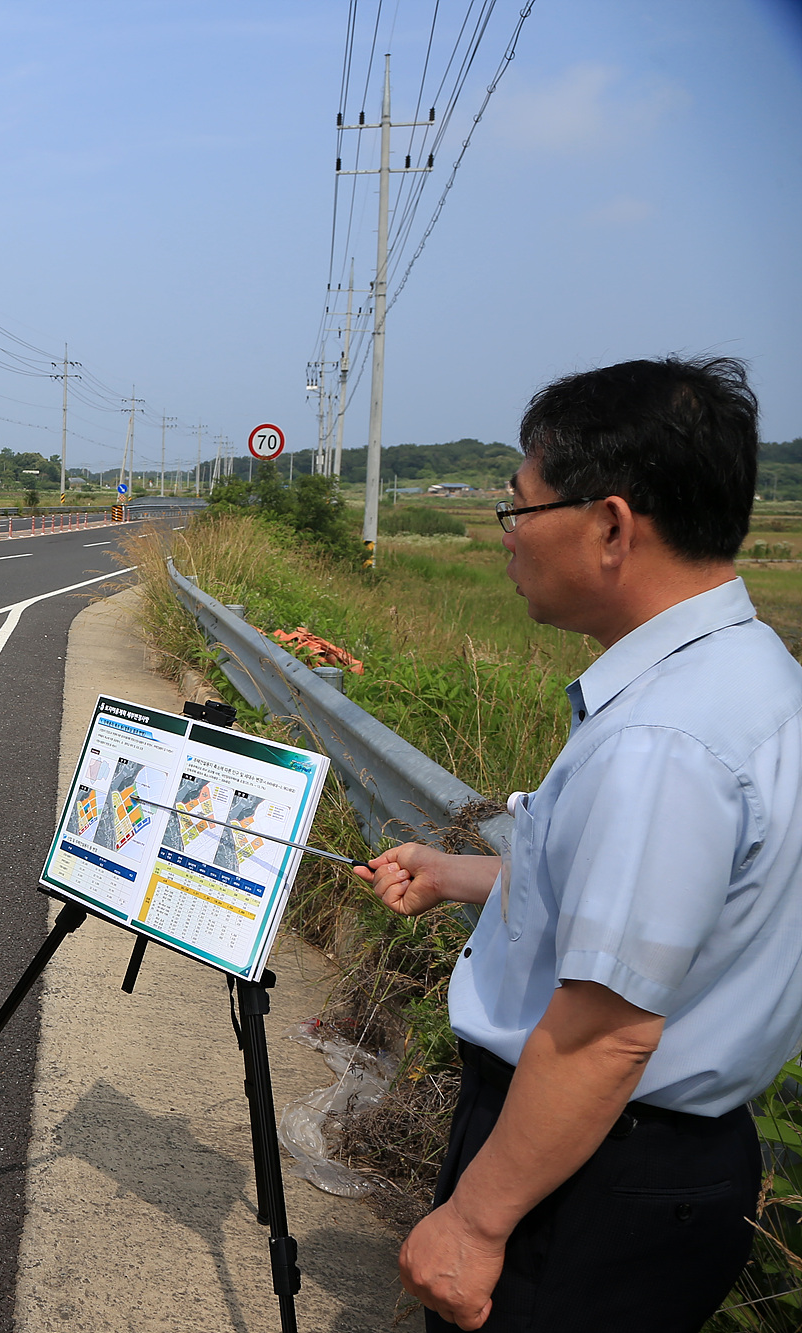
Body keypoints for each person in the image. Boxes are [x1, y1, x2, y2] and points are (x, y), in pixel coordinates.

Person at [354, 356, 801, 1332]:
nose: (503, 538)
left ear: (607, 525)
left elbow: (606, 1030)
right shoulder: (748, 673)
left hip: (589, 1169)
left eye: (515, 509)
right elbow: (647, 912)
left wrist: (472, 1221)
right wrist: (458, 873)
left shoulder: (661, 740)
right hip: (660, 1164)